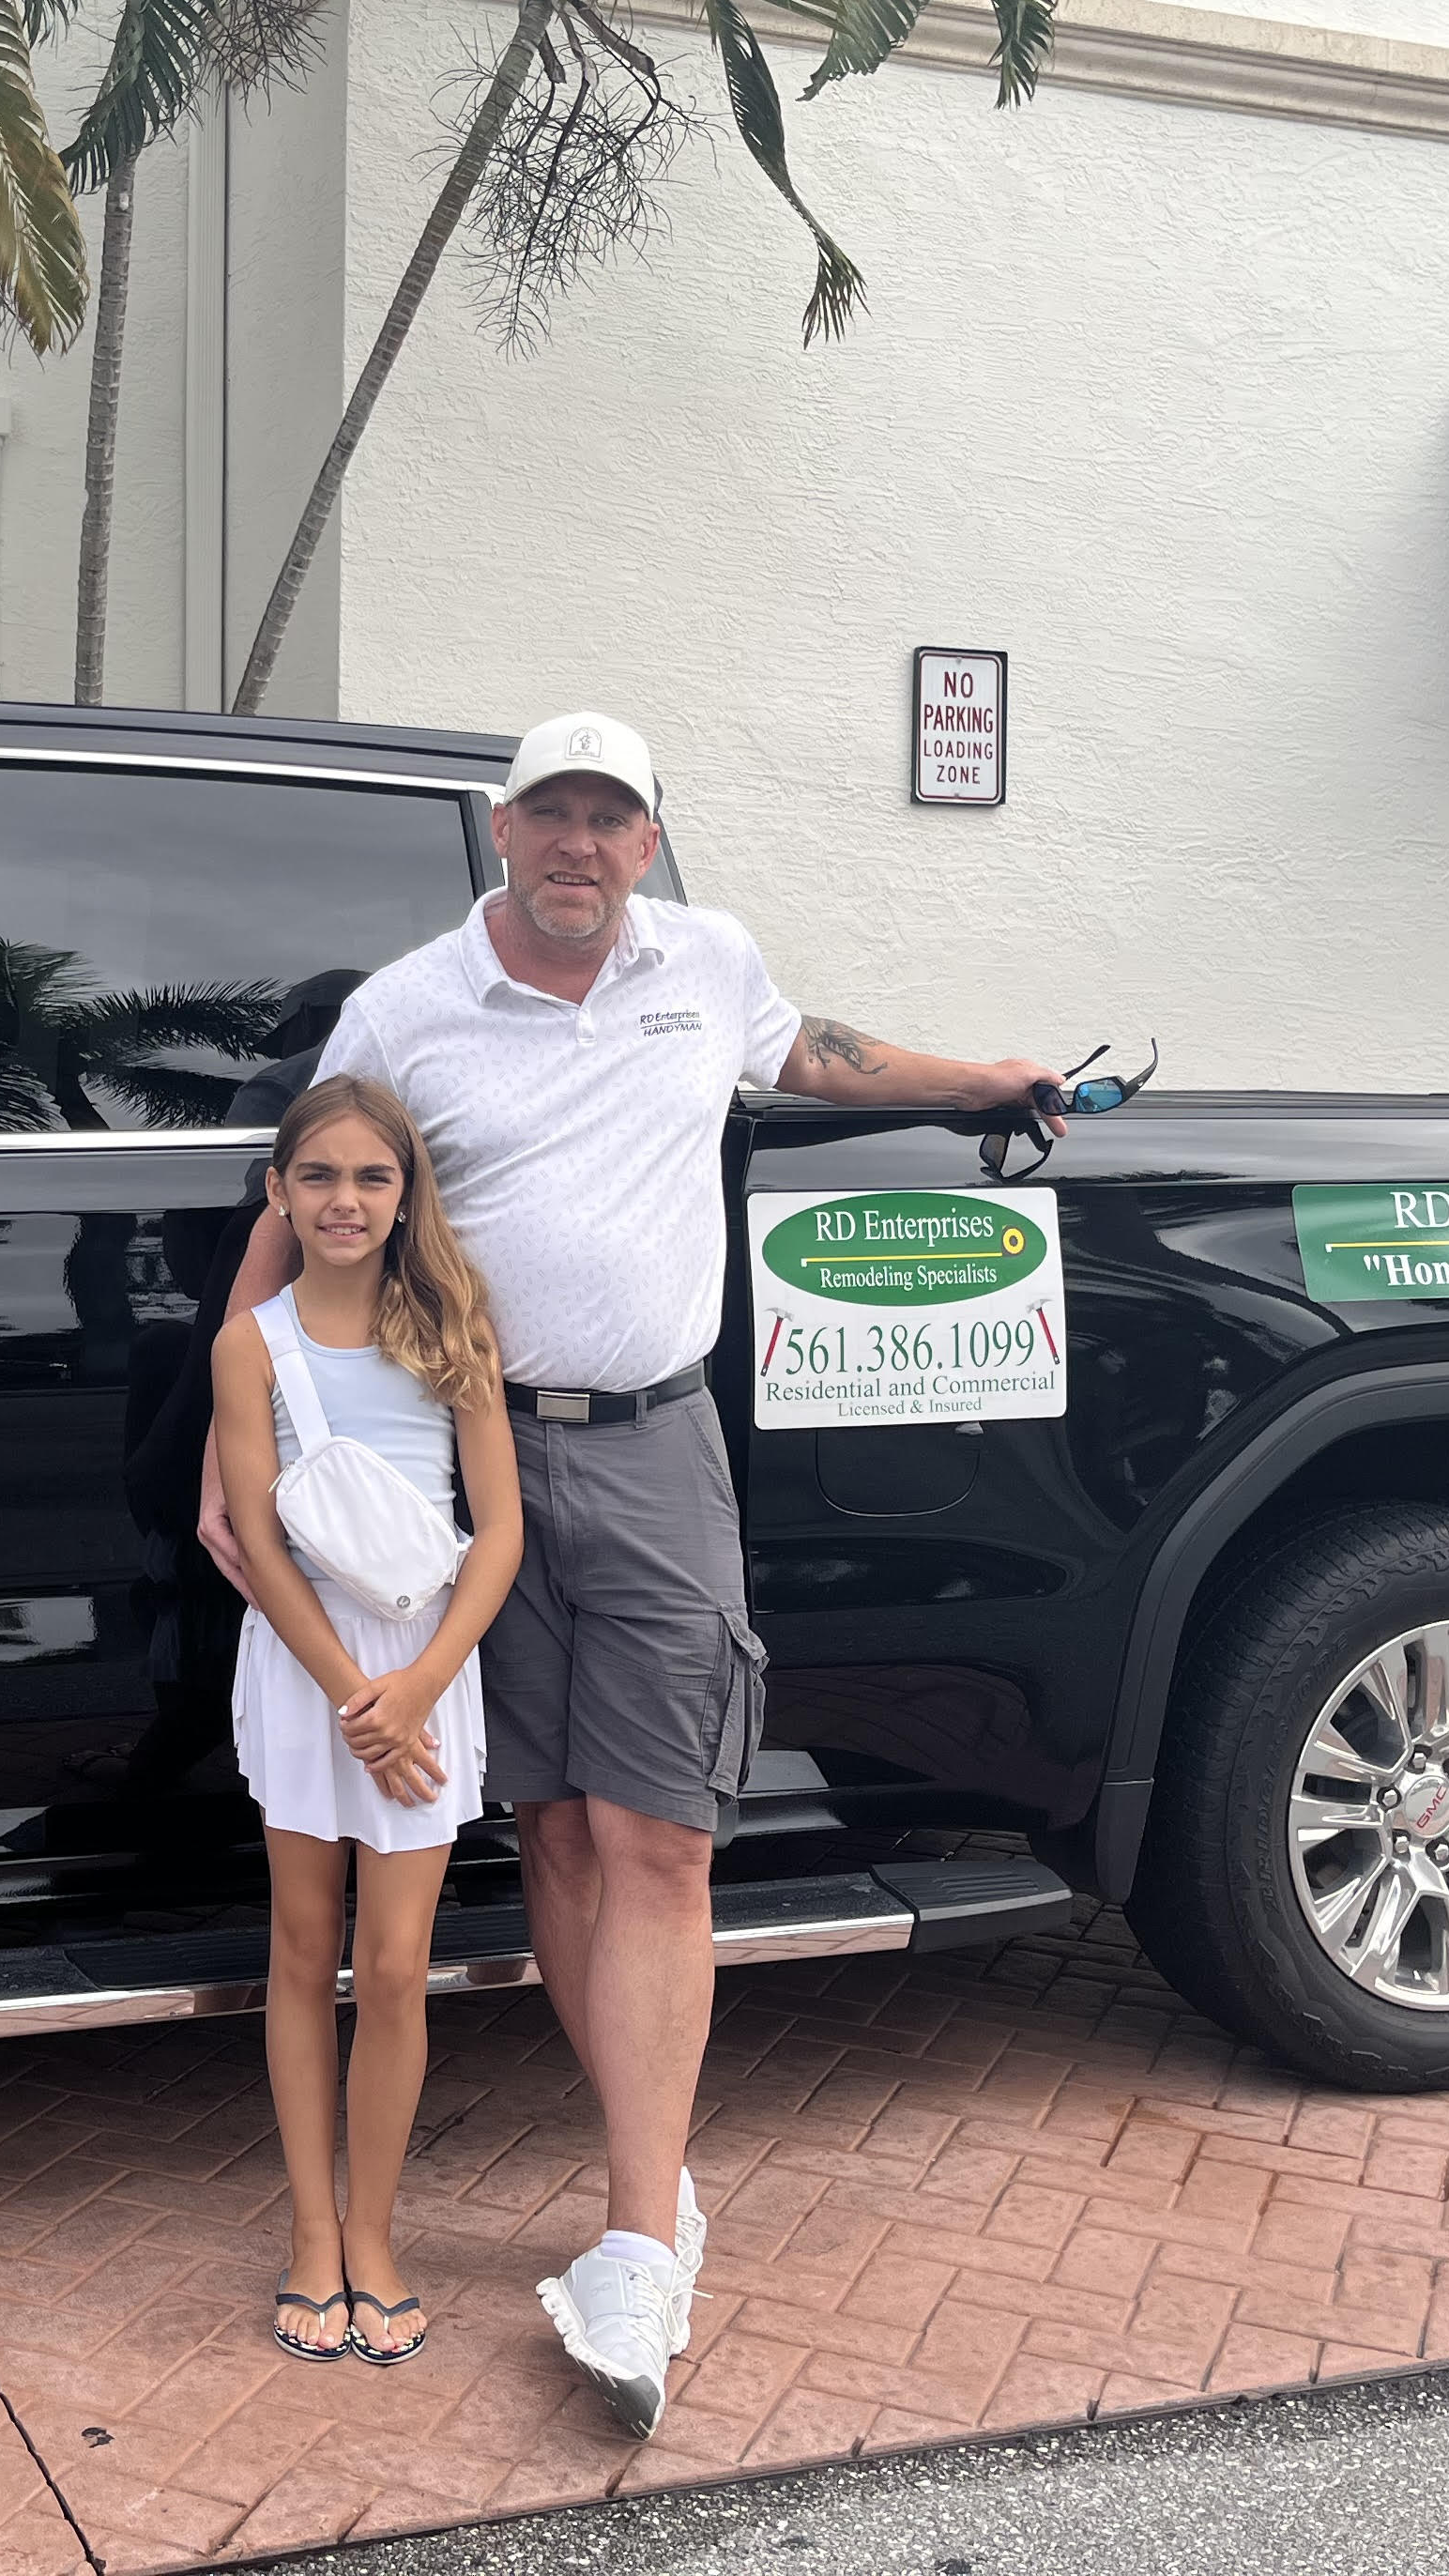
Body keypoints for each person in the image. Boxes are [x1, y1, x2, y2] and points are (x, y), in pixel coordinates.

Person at [201, 712, 1071, 2435]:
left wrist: (985, 1080)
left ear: (650, 841)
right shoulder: (407, 1004)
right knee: (560, 1829)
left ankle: (634, 2231)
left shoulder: (711, 963)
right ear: (502, 832)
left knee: (662, 1823)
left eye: (613, 821)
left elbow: (813, 1055)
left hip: (662, 1443)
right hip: (471, 1453)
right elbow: (294, 1204)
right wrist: (236, 1443)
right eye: (552, 819)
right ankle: (656, 2188)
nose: (580, 848)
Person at [212, 1077, 523, 2369]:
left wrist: (420, 1688)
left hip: (428, 1669)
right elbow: (258, 1539)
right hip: (310, 1673)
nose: (346, 1201)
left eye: (372, 1178)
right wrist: (354, 1693)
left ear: (407, 1197)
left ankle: (378, 2235)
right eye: (321, 1177)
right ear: (280, 1193)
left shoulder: (452, 1327)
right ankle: (310, 2237)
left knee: (396, 1967)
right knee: (300, 1951)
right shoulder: (252, 1344)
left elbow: (498, 1529)